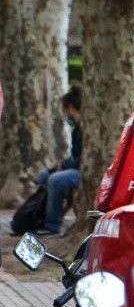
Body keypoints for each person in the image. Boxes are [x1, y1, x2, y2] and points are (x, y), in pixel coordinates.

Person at [35, 84, 83, 236]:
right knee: (44, 176)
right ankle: (42, 217)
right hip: (76, 167)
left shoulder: (85, 129)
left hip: (83, 171)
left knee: (55, 180)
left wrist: (64, 164)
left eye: (65, 109)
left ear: (70, 107)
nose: (64, 113)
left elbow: (83, 160)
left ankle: (53, 225)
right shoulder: (77, 130)